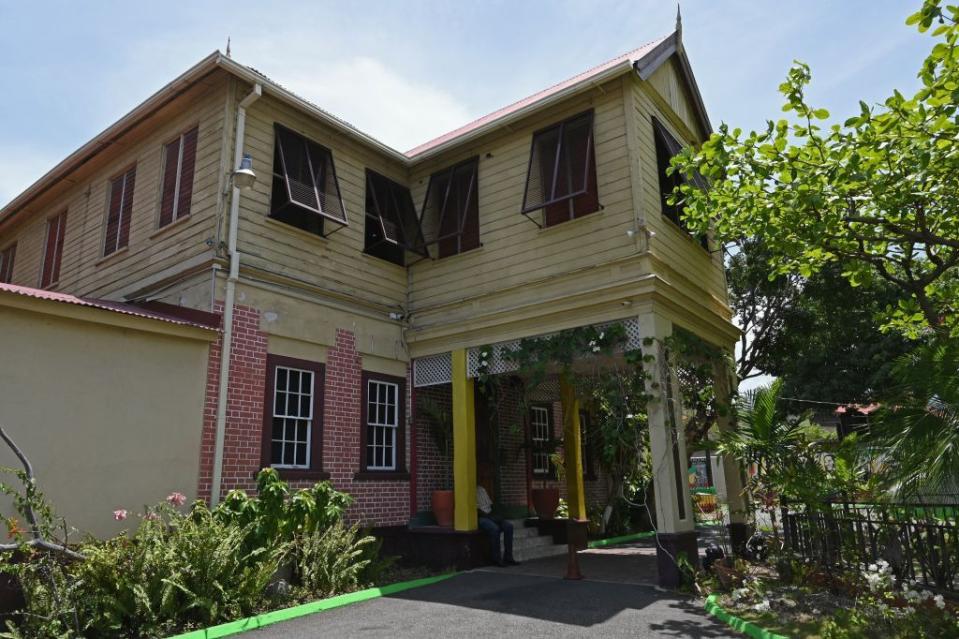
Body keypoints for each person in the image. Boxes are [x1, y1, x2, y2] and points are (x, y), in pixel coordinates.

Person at [476, 485, 519, 567]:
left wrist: (495, 516)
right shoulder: (468, 491)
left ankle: (508, 557)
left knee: (508, 526)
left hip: (489, 515)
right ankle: (496, 559)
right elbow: (476, 510)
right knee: (495, 529)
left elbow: (490, 505)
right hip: (480, 517)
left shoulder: (481, 489)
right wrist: (490, 518)